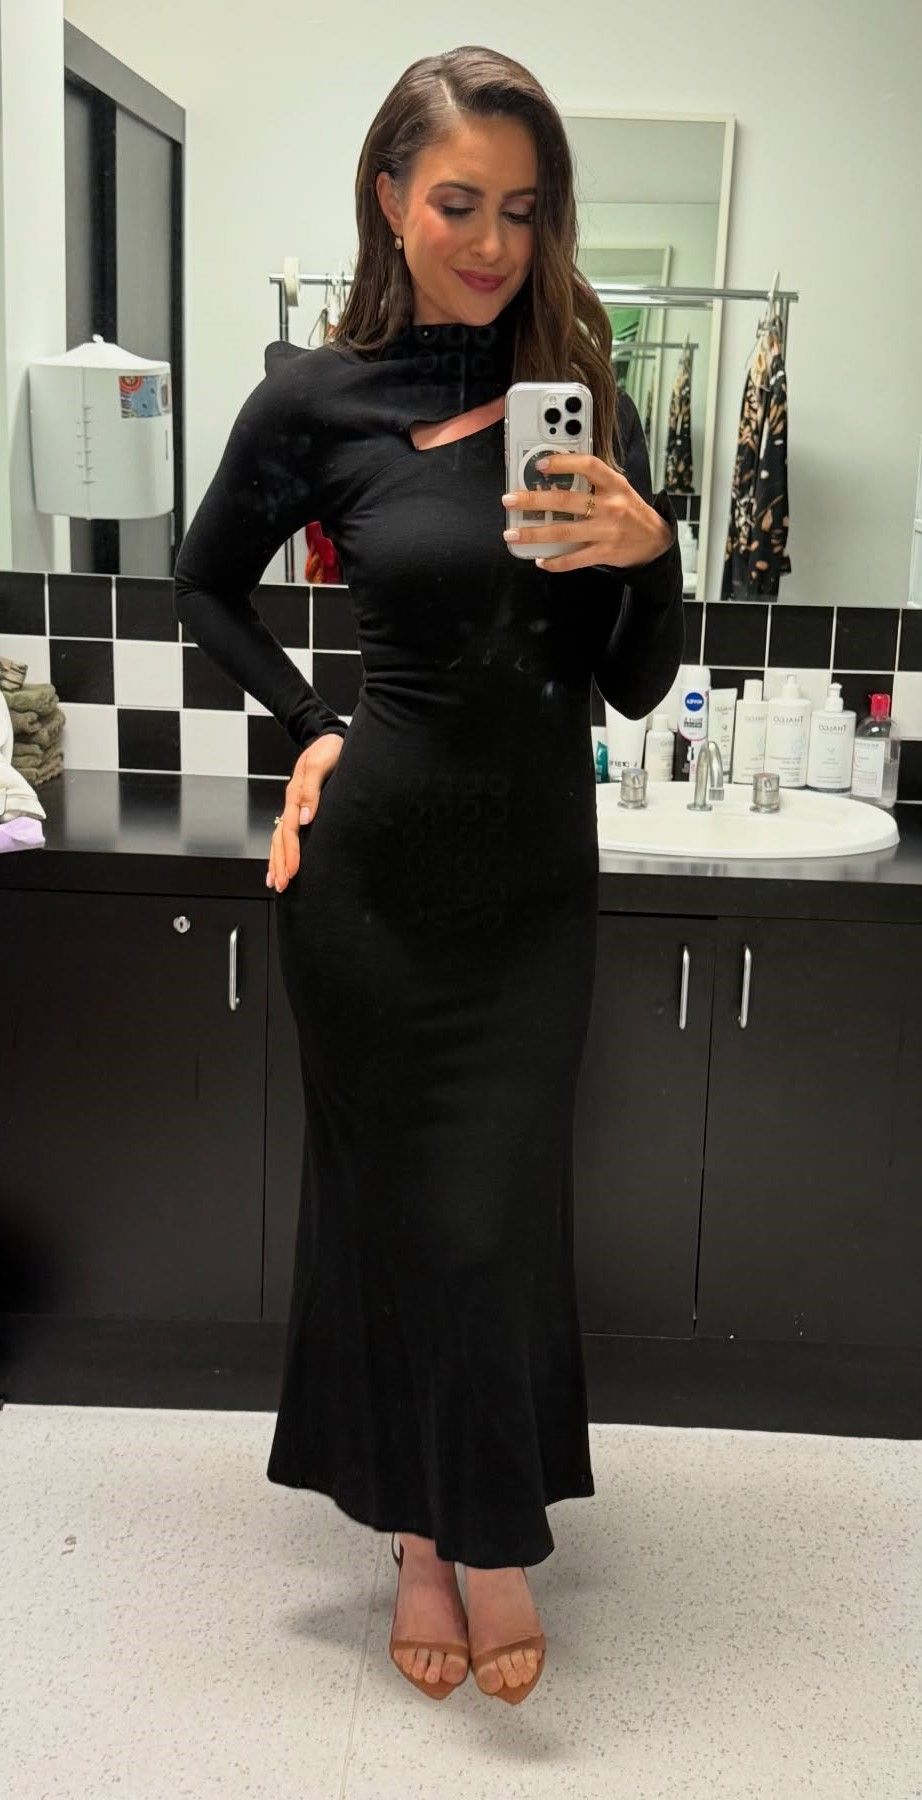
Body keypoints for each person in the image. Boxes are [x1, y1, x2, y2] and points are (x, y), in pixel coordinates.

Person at [172, 44, 684, 1707]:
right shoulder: (313, 402)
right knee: (398, 1215)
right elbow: (204, 583)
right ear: (390, 198)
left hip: (532, 890)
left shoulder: (587, 403)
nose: (490, 241)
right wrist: (312, 724)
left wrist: (653, 556)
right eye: (458, 202)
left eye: (521, 211)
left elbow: (629, 686)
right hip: (374, 884)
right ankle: (431, 1540)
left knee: (494, 1218)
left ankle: (479, 1523)